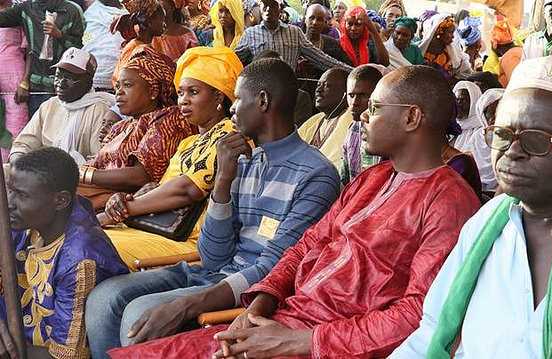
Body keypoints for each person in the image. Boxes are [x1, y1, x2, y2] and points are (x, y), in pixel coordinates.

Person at [106, 64, 481, 359]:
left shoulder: (448, 202)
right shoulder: (373, 179)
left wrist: (299, 341)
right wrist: (259, 307)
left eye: (376, 108)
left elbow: (416, 315)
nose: (362, 116)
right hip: (282, 323)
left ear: (412, 118)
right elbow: (306, 246)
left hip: (330, 344)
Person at [85, 58, 340, 358]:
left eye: (238, 98)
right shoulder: (244, 160)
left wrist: (186, 305)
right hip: (213, 273)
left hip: (254, 290)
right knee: (104, 298)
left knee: (139, 313)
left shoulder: (316, 174)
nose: (232, 108)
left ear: (262, 101)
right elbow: (213, 256)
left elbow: (275, 267)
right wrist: (222, 182)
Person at [392, 56, 552, 358]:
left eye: (536, 140)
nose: (512, 151)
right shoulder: (486, 224)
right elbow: (432, 331)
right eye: (502, 134)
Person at [97, 46, 244, 268]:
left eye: (193, 92)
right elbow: (160, 187)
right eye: (181, 92)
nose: (183, 100)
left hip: (188, 239)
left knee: (89, 245)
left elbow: (187, 190)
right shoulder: (189, 142)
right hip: (154, 227)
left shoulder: (227, 135)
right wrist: (123, 198)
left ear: (218, 96)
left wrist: (118, 212)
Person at [0, 147, 128, 358]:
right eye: (10, 190)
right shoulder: (22, 222)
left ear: (60, 201)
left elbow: (66, 356)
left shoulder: (81, 259)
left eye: (21, 195)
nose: (10, 203)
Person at [77, 48, 196, 210]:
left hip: (126, 204)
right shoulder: (120, 126)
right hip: (96, 195)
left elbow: (141, 177)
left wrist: (81, 174)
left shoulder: (168, 119)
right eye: (117, 86)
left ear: (153, 91)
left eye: (128, 85)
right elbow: (97, 166)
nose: (119, 92)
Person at [10, 48, 114, 167]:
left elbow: (99, 160)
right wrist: (17, 163)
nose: (61, 83)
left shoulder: (99, 110)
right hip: (43, 175)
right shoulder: (50, 105)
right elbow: (23, 144)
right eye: (58, 76)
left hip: (78, 178)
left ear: (88, 82)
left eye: (70, 78)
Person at [0, 0, 85, 117]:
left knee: (58, 130)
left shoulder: (73, 10)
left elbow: (81, 47)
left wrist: (59, 35)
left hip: (63, 87)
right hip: (36, 87)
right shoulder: (27, 8)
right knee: (37, 129)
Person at [234, 0, 351, 72]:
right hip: (258, 94)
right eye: (265, 4)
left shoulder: (294, 33)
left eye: (273, 5)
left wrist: (352, 72)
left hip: (287, 94)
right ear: (260, 6)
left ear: (280, 9)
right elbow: (233, 62)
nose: (268, 9)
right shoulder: (250, 34)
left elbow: (321, 59)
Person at [339, 64, 384, 185]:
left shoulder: (387, 133)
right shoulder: (353, 129)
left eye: (363, 95)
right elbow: (345, 180)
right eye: (351, 95)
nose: (354, 103)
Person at [298, 68, 351, 169]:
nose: (318, 90)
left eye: (326, 85)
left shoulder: (349, 119)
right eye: (318, 85)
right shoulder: (316, 120)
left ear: (346, 93)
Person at [452, 81, 497, 193]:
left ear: (473, 101)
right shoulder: (452, 129)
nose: (458, 104)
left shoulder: (483, 131)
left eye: (463, 100)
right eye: (456, 100)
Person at [111, 0, 167, 87]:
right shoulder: (135, 48)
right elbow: (120, 80)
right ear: (149, 22)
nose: (164, 24)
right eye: (162, 20)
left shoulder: (151, 44)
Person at [0, 0, 28, 162]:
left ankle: (12, 168)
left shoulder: (20, 10)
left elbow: (30, 48)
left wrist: (25, 81)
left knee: (16, 126)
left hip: (14, 75)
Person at [81, 0, 128, 92]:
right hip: (115, 77)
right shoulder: (91, 13)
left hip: (95, 76)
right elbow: (86, 40)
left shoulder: (91, 13)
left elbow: (85, 41)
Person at [419, 14, 472, 78]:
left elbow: (463, 71)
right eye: (450, 32)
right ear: (439, 32)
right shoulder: (421, 51)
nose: (453, 36)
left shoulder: (453, 53)